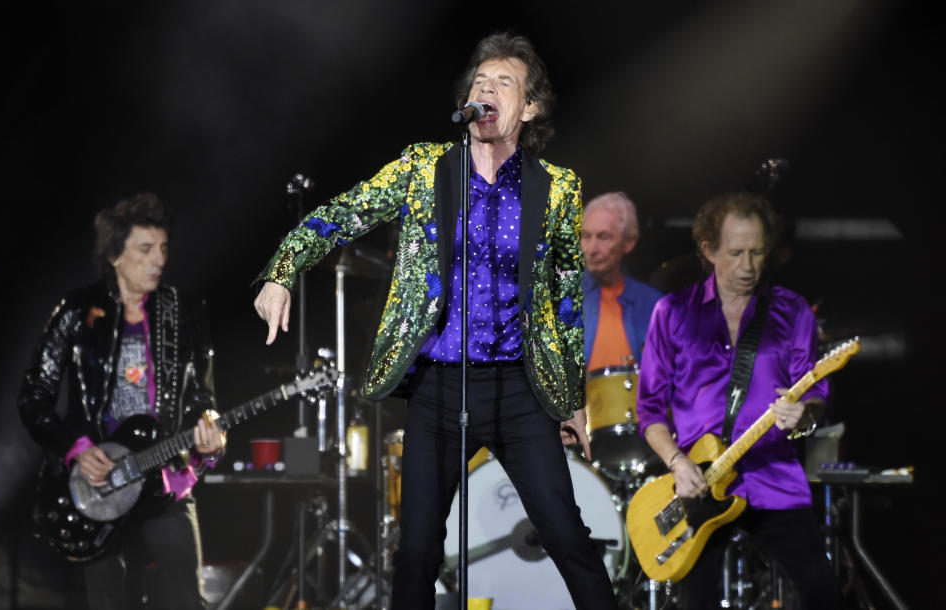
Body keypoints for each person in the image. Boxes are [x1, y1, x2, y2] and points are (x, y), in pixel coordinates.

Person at [253, 32, 616, 610]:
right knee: (418, 548)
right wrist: (282, 269)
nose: (485, 88)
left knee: (566, 535)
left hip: (520, 386)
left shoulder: (558, 189)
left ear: (529, 108)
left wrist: (572, 400)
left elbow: (564, 297)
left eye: (503, 83)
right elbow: (346, 212)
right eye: (479, 80)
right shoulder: (425, 169)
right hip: (440, 386)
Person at [18, 193, 224, 610]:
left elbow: (204, 399)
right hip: (100, 488)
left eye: (163, 249)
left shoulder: (184, 312)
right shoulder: (77, 312)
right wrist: (75, 448)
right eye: (145, 249)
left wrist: (212, 437)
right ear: (115, 255)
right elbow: (33, 396)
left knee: (187, 601)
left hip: (165, 479)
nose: (158, 260)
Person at [636, 191, 841, 609]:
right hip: (699, 482)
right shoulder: (673, 312)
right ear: (708, 250)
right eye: (735, 253)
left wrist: (802, 416)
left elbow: (816, 395)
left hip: (773, 476)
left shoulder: (793, 311)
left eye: (757, 252)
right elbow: (650, 411)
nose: (748, 267)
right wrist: (677, 462)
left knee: (823, 592)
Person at [580, 191, 662, 371]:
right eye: (586, 236)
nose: (592, 249)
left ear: (629, 242)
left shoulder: (653, 304)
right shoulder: (558, 298)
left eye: (603, 237)